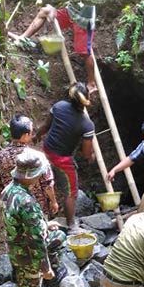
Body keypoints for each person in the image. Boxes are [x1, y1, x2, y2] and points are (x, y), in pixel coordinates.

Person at [0, 151, 68, 287]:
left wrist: (44, 225)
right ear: (31, 175)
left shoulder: (9, 191)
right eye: (39, 173)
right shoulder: (27, 202)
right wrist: (45, 268)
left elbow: (19, 222)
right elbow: (36, 241)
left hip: (15, 247)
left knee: (57, 235)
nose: (41, 176)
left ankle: (31, 283)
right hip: (28, 255)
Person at [36, 82, 95, 234]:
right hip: (62, 160)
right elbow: (87, 153)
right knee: (71, 192)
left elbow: (46, 126)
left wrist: (36, 136)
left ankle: (43, 217)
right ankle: (72, 225)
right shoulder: (86, 124)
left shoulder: (59, 106)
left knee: (43, 184)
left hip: (47, 151)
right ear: (86, 100)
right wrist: (91, 156)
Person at [11, 3, 96, 92]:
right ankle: (23, 38)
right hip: (71, 12)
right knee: (44, 12)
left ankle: (92, 84)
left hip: (84, 21)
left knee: (84, 52)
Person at [0, 114, 58, 219]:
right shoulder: (37, 157)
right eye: (31, 132)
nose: (32, 134)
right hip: (35, 209)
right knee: (39, 233)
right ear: (25, 136)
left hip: (12, 209)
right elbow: (48, 184)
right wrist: (53, 202)